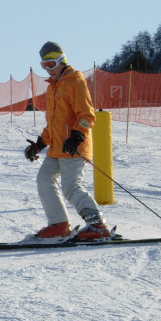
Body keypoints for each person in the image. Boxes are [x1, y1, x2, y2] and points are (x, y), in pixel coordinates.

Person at [24, 41, 111, 241]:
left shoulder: (75, 82)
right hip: (56, 148)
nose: (48, 70)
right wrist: (39, 144)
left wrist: (77, 136)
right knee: (44, 180)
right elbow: (53, 124)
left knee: (71, 187)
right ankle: (59, 225)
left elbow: (87, 115)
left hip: (73, 147)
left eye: (51, 65)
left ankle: (98, 225)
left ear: (62, 61)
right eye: (44, 66)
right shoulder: (52, 89)